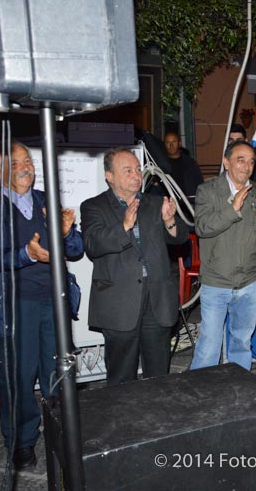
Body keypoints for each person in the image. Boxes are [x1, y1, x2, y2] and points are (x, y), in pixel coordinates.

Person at [0, 142, 83, 470]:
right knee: (19, 380)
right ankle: (21, 443)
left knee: (58, 373)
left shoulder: (45, 200)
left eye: (28, 161)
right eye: (17, 163)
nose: (27, 167)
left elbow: (76, 247)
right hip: (13, 307)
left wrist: (66, 232)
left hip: (53, 301)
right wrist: (26, 255)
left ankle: (61, 434)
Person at [81, 148, 187, 385]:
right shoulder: (93, 207)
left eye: (138, 169)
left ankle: (157, 417)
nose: (136, 175)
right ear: (109, 176)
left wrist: (170, 221)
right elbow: (92, 245)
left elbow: (179, 239)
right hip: (119, 300)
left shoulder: (155, 202)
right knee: (121, 375)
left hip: (156, 297)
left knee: (158, 372)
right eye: (127, 170)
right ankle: (121, 420)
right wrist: (124, 226)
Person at [190, 140, 256, 371]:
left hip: (248, 281)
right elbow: (202, 227)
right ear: (226, 162)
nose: (246, 166)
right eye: (240, 160)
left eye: (251, 161)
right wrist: (232, 210)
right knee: (209, 345)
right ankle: (199, 394)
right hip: (216, 281)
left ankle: (240, 389)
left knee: (242, 341)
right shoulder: (207, 191)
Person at [163, 130, 204, 202]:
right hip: (168, 205)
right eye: (168, 142)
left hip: (188, 204)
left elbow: (200, 185)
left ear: (179, 143)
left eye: (174, 142)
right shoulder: (160, 164)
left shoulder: (190, 163)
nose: (171, 145)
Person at [228, 123, 256, 188]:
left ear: (245, 141)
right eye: (231, 140)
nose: (235, 144)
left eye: (239, 140)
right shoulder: (225, 161)